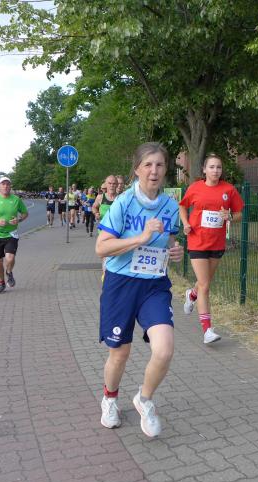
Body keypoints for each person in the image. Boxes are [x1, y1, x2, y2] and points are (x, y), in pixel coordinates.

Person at [95, 142, 184, 438]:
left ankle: (144, 400)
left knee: (164, 349)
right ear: (137, 170)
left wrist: (175, 250)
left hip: (154, 285)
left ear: (166, 170)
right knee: (120, 353)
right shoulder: (123, 203)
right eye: (148, 165)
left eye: (159, 165)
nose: (154, 171)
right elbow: (101, 248)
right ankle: (110, 399)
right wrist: (140, 238)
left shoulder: (170, 206)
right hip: (121, 284)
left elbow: (169, 239)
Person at [178, 153, 244, 343]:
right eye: (212, 167)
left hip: (217, 242)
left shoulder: (229, 190)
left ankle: (191, 294)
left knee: (204, 282)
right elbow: (182, 206)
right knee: (205, 285)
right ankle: (207, 330)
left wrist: (229, 216)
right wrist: (185, 223)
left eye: (219, 167)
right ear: (204, 170)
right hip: (197, 240)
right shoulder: (195, 188)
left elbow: (239, 214)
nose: (216, 170)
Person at [0, 176, 29, 294]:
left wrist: (18, 219)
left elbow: (25, 213)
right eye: (3, 184)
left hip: (11, 234)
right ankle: (1, 283)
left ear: (10, 186)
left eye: (8, 184)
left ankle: (9, 272)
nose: (6, 186)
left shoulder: (16, 199)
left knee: (10, 258)